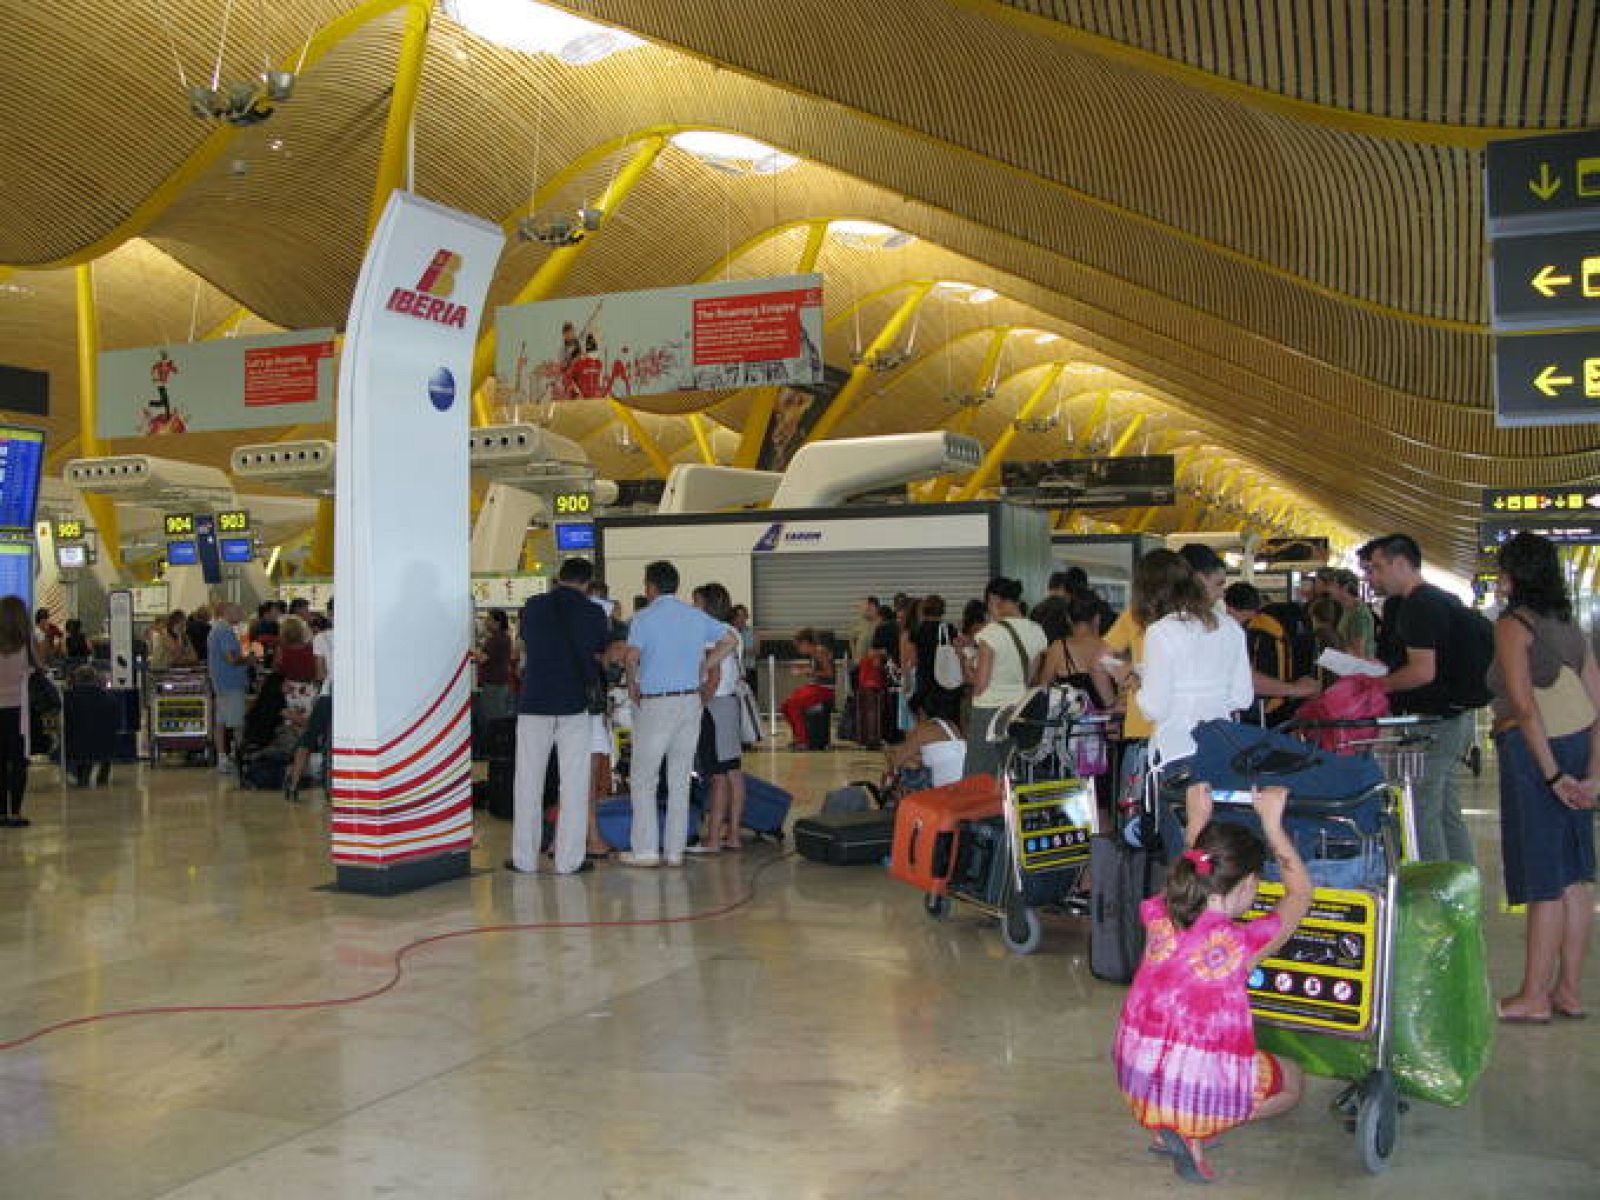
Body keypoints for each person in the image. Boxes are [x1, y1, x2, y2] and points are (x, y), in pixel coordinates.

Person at [1113, 787, 1309, 1184]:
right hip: (1192, 1084)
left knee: (1189, 1056)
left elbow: (1192, 867)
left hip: (1134, 1073)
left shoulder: (1160, 913)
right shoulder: (1239, 945)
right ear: (1247, 883)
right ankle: (1196, 1128)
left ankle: (1165, 1117)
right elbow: (1301, 895)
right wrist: (1273, 823)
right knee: (1293, 1081)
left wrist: (1196, 822)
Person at [1487, 532, 1597, 1023]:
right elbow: (1598, 707)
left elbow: (1523, 705)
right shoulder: (1570, 625)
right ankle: (1567, 990)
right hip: (1577, 749)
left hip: (1536, 756)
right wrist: (1592, 776)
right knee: (1575, 875)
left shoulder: (1514, 625)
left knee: (1542, 877)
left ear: (1515, 575)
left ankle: (1533, 995)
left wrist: (1551, 776)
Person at [1361, 533, 1476, 864]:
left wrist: (1378, 687)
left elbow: (1422, 672)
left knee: (1420, 810)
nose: (1373, 577)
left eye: (1377, 568)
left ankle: (1433, 896)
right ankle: (1460, 881)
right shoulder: (1442, 600)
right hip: (1455, 717)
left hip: (1434, 723)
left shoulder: (1419, 606)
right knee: (1444, 809)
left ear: (1400, 563)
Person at [1134, 549, 1254, 851]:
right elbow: (1243, 697)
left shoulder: (1161, 632)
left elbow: (1155, 707)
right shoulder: (1231, 627)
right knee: (1219, 850)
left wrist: (1140, 684)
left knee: (1185, 852)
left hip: (1178, 754)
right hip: (1222, 751)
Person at [621, 560, 738, 868]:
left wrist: (632, 680)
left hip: (657, 703)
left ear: (650, 587)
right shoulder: (695, 617)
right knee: (680, 778)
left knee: (644, 777)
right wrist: (706, 665)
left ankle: (646, 850)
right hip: (690, 703)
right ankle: (674, 852)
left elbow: (632, 656)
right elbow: (730, 640)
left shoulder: (643, 619)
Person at [510, 558, 609, 876]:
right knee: (574, 783)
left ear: (558, 578)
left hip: (534, 701)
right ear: (587, 583)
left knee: (528, 780)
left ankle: (524, 858)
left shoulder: (533, 607)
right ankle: (569, 860)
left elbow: (526, 641)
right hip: (573, 705)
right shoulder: (594, 613)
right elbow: (598, 652)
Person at [962, 577, 1047, 779]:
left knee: (979, 774)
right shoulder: (1037, 631)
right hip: (1018, 709)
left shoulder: (990, 634)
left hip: (987, 710)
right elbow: (1029, 678)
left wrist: (967, 668)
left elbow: (981, 685)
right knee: (1011, 772)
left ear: (993, 600)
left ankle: (983, 811)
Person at [687, 583, 746, 855]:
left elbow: (714, 676)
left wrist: (698, 703)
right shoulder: (732, 631)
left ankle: (712, 838)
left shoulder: (712, 634)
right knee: (732, 773)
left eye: (696, 602)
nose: (692, 607)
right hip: (729, 705)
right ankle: (732, 834)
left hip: (715, 706)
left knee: (718, 775)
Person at [1222, 581, 1321, 724]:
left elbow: (1245, 678)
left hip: (1258, 711)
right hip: (1296, 706)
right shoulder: (1275, 623)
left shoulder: (1236, 632)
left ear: (1229, 608)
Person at [0, 596, 37, 826]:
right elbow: (37, 669)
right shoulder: (26, 645)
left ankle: (0, 812)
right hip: (19, 711)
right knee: (18, 761)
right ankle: (15, 811)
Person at [207, 602, 249, 774]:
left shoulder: (216, 629)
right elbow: (231, 659)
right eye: (238, 611)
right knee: (238, 723)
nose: (241, 614)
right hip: (231, 683)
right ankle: (240, 758)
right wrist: (249, 660)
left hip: (220, 683)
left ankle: (222, 758)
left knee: (221, 722)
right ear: (227, 612)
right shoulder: (224, 631)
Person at [908, 594, 963, 724]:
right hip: (946, 680)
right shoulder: (949, 629)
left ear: (924, 610)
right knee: (947, 719)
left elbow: (912, 659)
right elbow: (958, 652)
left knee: (925, 718)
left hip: (925, 680)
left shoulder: (917, 630)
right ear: (942, 611)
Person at [780, 629, 835, 750]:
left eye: (798, 646)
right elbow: (818, 672)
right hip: (815, 687)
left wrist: (807, 671)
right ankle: (797, 736)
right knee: (785, 706)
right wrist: (806, 670)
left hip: (825, 690)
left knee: (794, 704)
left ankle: (803, 740)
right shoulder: (814, 654)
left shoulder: (820, 652)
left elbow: (829, 674)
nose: (798, 650)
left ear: (805, 643)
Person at [475, 608, 516, 724]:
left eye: (488, 619)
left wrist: (472, 651)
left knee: (493, 716)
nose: (485, 622)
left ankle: (496, 740)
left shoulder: (496, 639)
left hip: (493, 683)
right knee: (498, 713)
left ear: (497, 623)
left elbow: (483, 659)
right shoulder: (504, 637)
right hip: (499, 681)